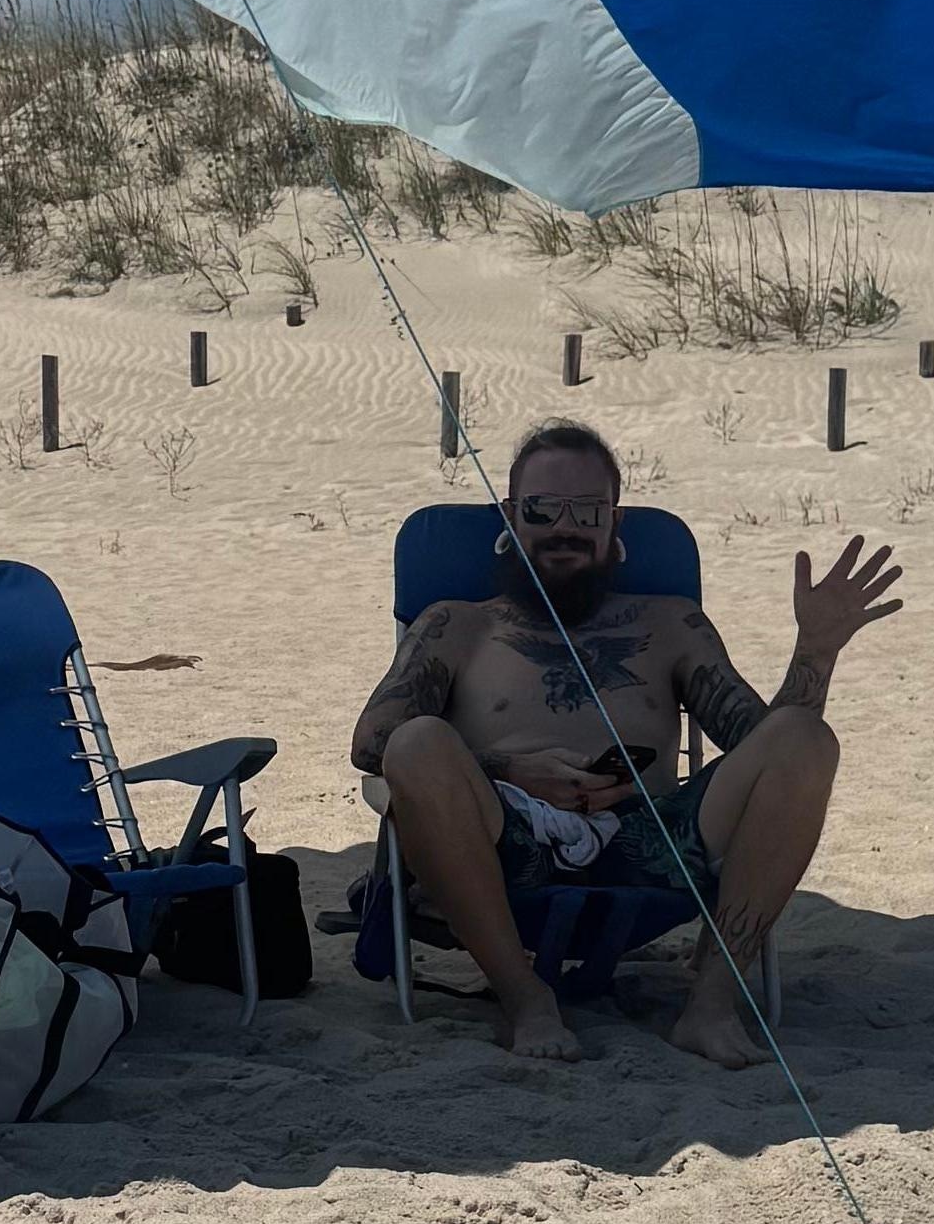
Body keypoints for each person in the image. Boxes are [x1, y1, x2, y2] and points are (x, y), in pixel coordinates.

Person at [348, 419, 900, 1069]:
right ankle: (526, 1000)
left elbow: (769, 751)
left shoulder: (669, 624)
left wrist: (816, 652)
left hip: (654, 844)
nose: (565, 526)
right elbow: (373, 741)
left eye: (587, 509)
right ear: (510, 515)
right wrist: (508, 769)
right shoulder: (455, 626)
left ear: (615, 523)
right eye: (543, 508)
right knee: (416, 744)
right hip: (504, 847)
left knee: (808, 739)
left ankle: (711, 1005)